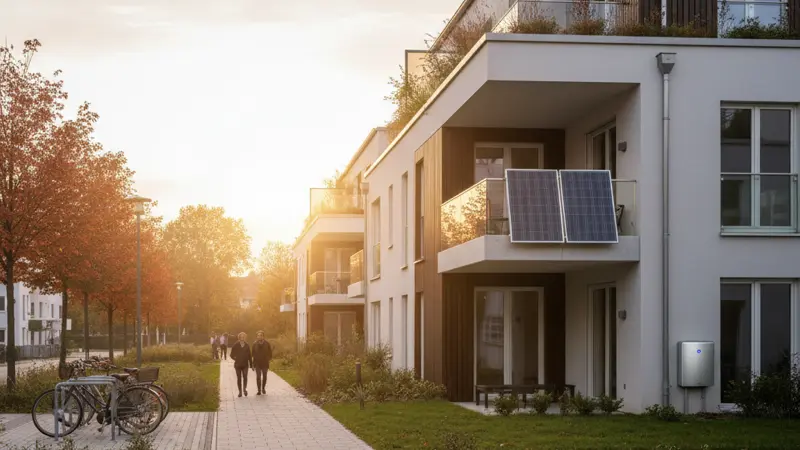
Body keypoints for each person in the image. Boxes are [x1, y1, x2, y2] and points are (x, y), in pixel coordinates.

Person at [229, 332, 252, 397]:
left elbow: (249, 355)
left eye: (243, 337)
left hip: (245, 364)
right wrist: (235, 358)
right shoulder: (236, 345)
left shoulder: (247, 345)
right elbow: (231, 355)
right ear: (239, 337)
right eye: (241, 337)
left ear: (245, 338)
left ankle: (244, 389)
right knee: (239, 378)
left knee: (245, 377)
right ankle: (240, 392)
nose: (242, 338)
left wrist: (251, 364)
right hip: (237, 365)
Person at [251, 331, 273, 395]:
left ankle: (263, 388)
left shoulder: (267, 344)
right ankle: (259, 390)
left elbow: (270, 353)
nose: (259, 336)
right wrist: (252, 364)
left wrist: (268, 359)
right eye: (258, 335)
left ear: (263, 336)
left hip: (265, 363)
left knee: (264, 376)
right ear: (257, 336)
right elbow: (253, 354)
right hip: (257, 363)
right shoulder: (254, 344)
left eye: (261, 335)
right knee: (258, 377)